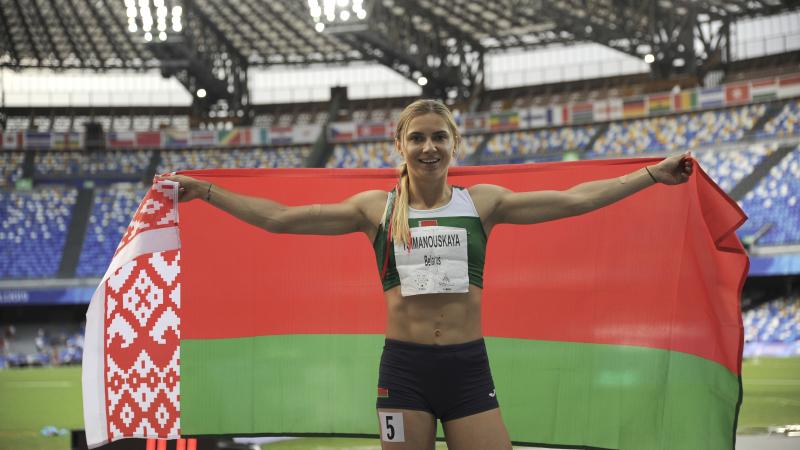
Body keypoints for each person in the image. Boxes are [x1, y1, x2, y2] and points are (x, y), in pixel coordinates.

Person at [162, 99, 693, 450]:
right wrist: (207, 191)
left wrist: (650, 175)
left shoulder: (482, 203)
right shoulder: (375, 208)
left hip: (467, 369)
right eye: (417, 138)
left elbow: (575, 201)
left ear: (454, 144)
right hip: (405, 373)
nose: (429, 147)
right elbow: (280, 220)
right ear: (400, 145)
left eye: (439, 137)